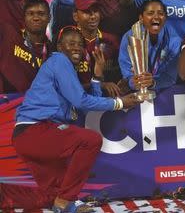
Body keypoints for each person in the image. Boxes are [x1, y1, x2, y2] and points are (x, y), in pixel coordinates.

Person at [0, 27, 141, 211]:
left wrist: (97, 76)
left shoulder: (66, 73)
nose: (77, 48)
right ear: (59, 46)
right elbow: (81, 101)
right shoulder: (59, 60)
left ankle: (65, 203)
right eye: (71, 43)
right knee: (91, 140)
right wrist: (119, 103)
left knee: (52, 196)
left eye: (80, 45)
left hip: (29, 138)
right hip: (35, 130)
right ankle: (65, 199)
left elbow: (83, 101)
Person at [119, 0, 182, 92]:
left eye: (161, 13)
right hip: (137, 92)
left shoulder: (174, 40)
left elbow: (171, 77)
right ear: (141, 18)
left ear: (165, 17)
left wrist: (153, 82)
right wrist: (133, 82)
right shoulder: (129, 38)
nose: (156, 17)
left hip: (165, 93)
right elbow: (127, 75)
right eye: (150, 13)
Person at [0, 0, 52, 93]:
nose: (36, 18)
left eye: (41, 14)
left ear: (49, 18)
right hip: (8, 103)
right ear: (24, 17)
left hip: (36, 104)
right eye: (30, 13)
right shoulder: (10, 35)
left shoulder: (53, 51)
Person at [72, 0, 121, 97]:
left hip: (104, 101)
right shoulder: (67, 42)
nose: (93, 16)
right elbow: (65, 84)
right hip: (76, 100)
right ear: (75, 16)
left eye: (95, 11)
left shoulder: (111, 40)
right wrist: (101, 84)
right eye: (87, 12)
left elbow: (118, 72)